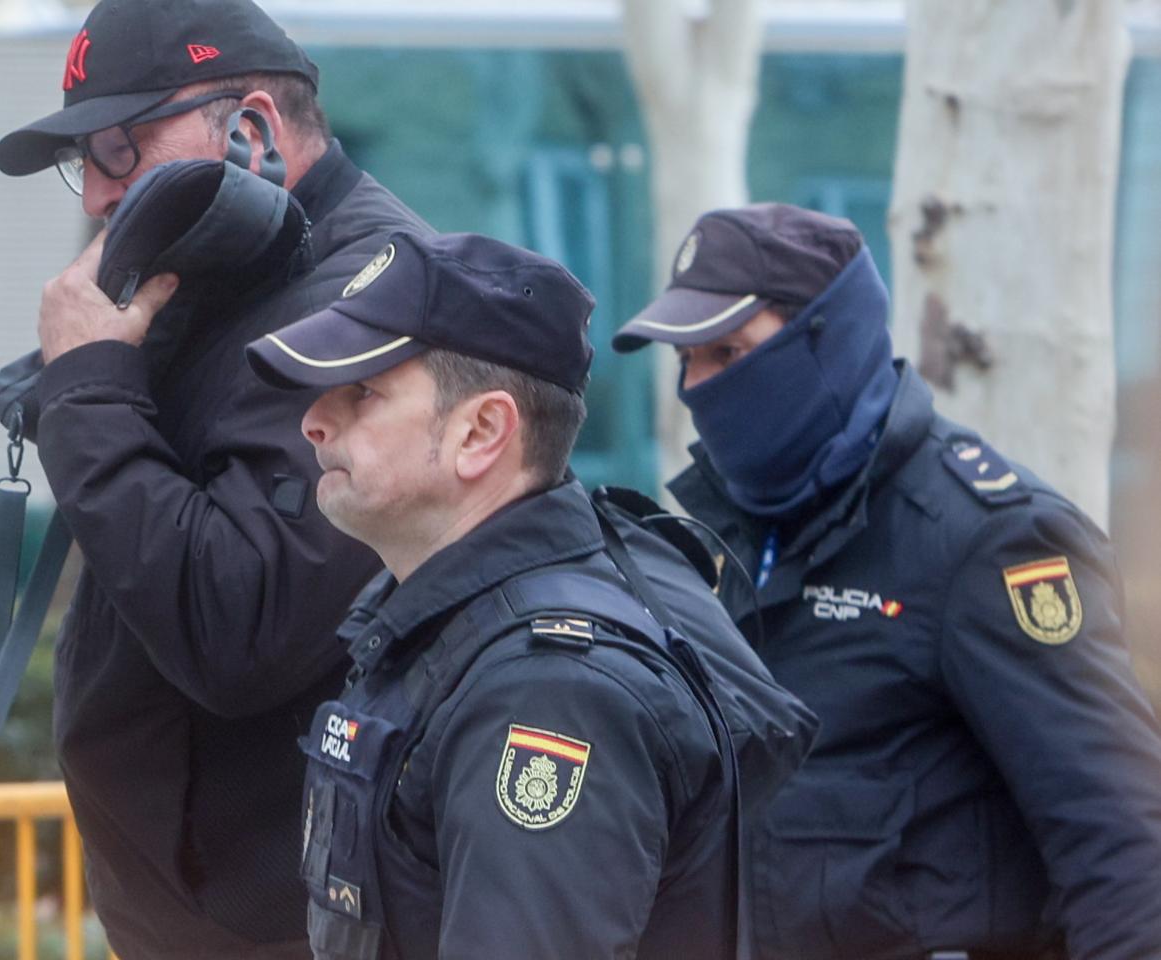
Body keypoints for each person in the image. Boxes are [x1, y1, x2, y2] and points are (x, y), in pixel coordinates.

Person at [0, 1, 430, 956]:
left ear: (254, 128)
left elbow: (240, 627)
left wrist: (92, 392)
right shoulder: (221, 274)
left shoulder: (374, 300)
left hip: (299, 923)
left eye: (121, 146)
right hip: (204, 917)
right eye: (87, 159)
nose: (100, 195)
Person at [612, 202, 1161, 960]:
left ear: (826, 342)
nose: (696, 388)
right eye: (685, 361)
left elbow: (1124, 847)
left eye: (727, 353)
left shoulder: (987, 539)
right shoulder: (713, 545)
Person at [245, 231, 813, 959]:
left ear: (482, 431)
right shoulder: (454, 626)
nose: (314, 421)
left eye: (363, 391)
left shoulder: (546, 689)